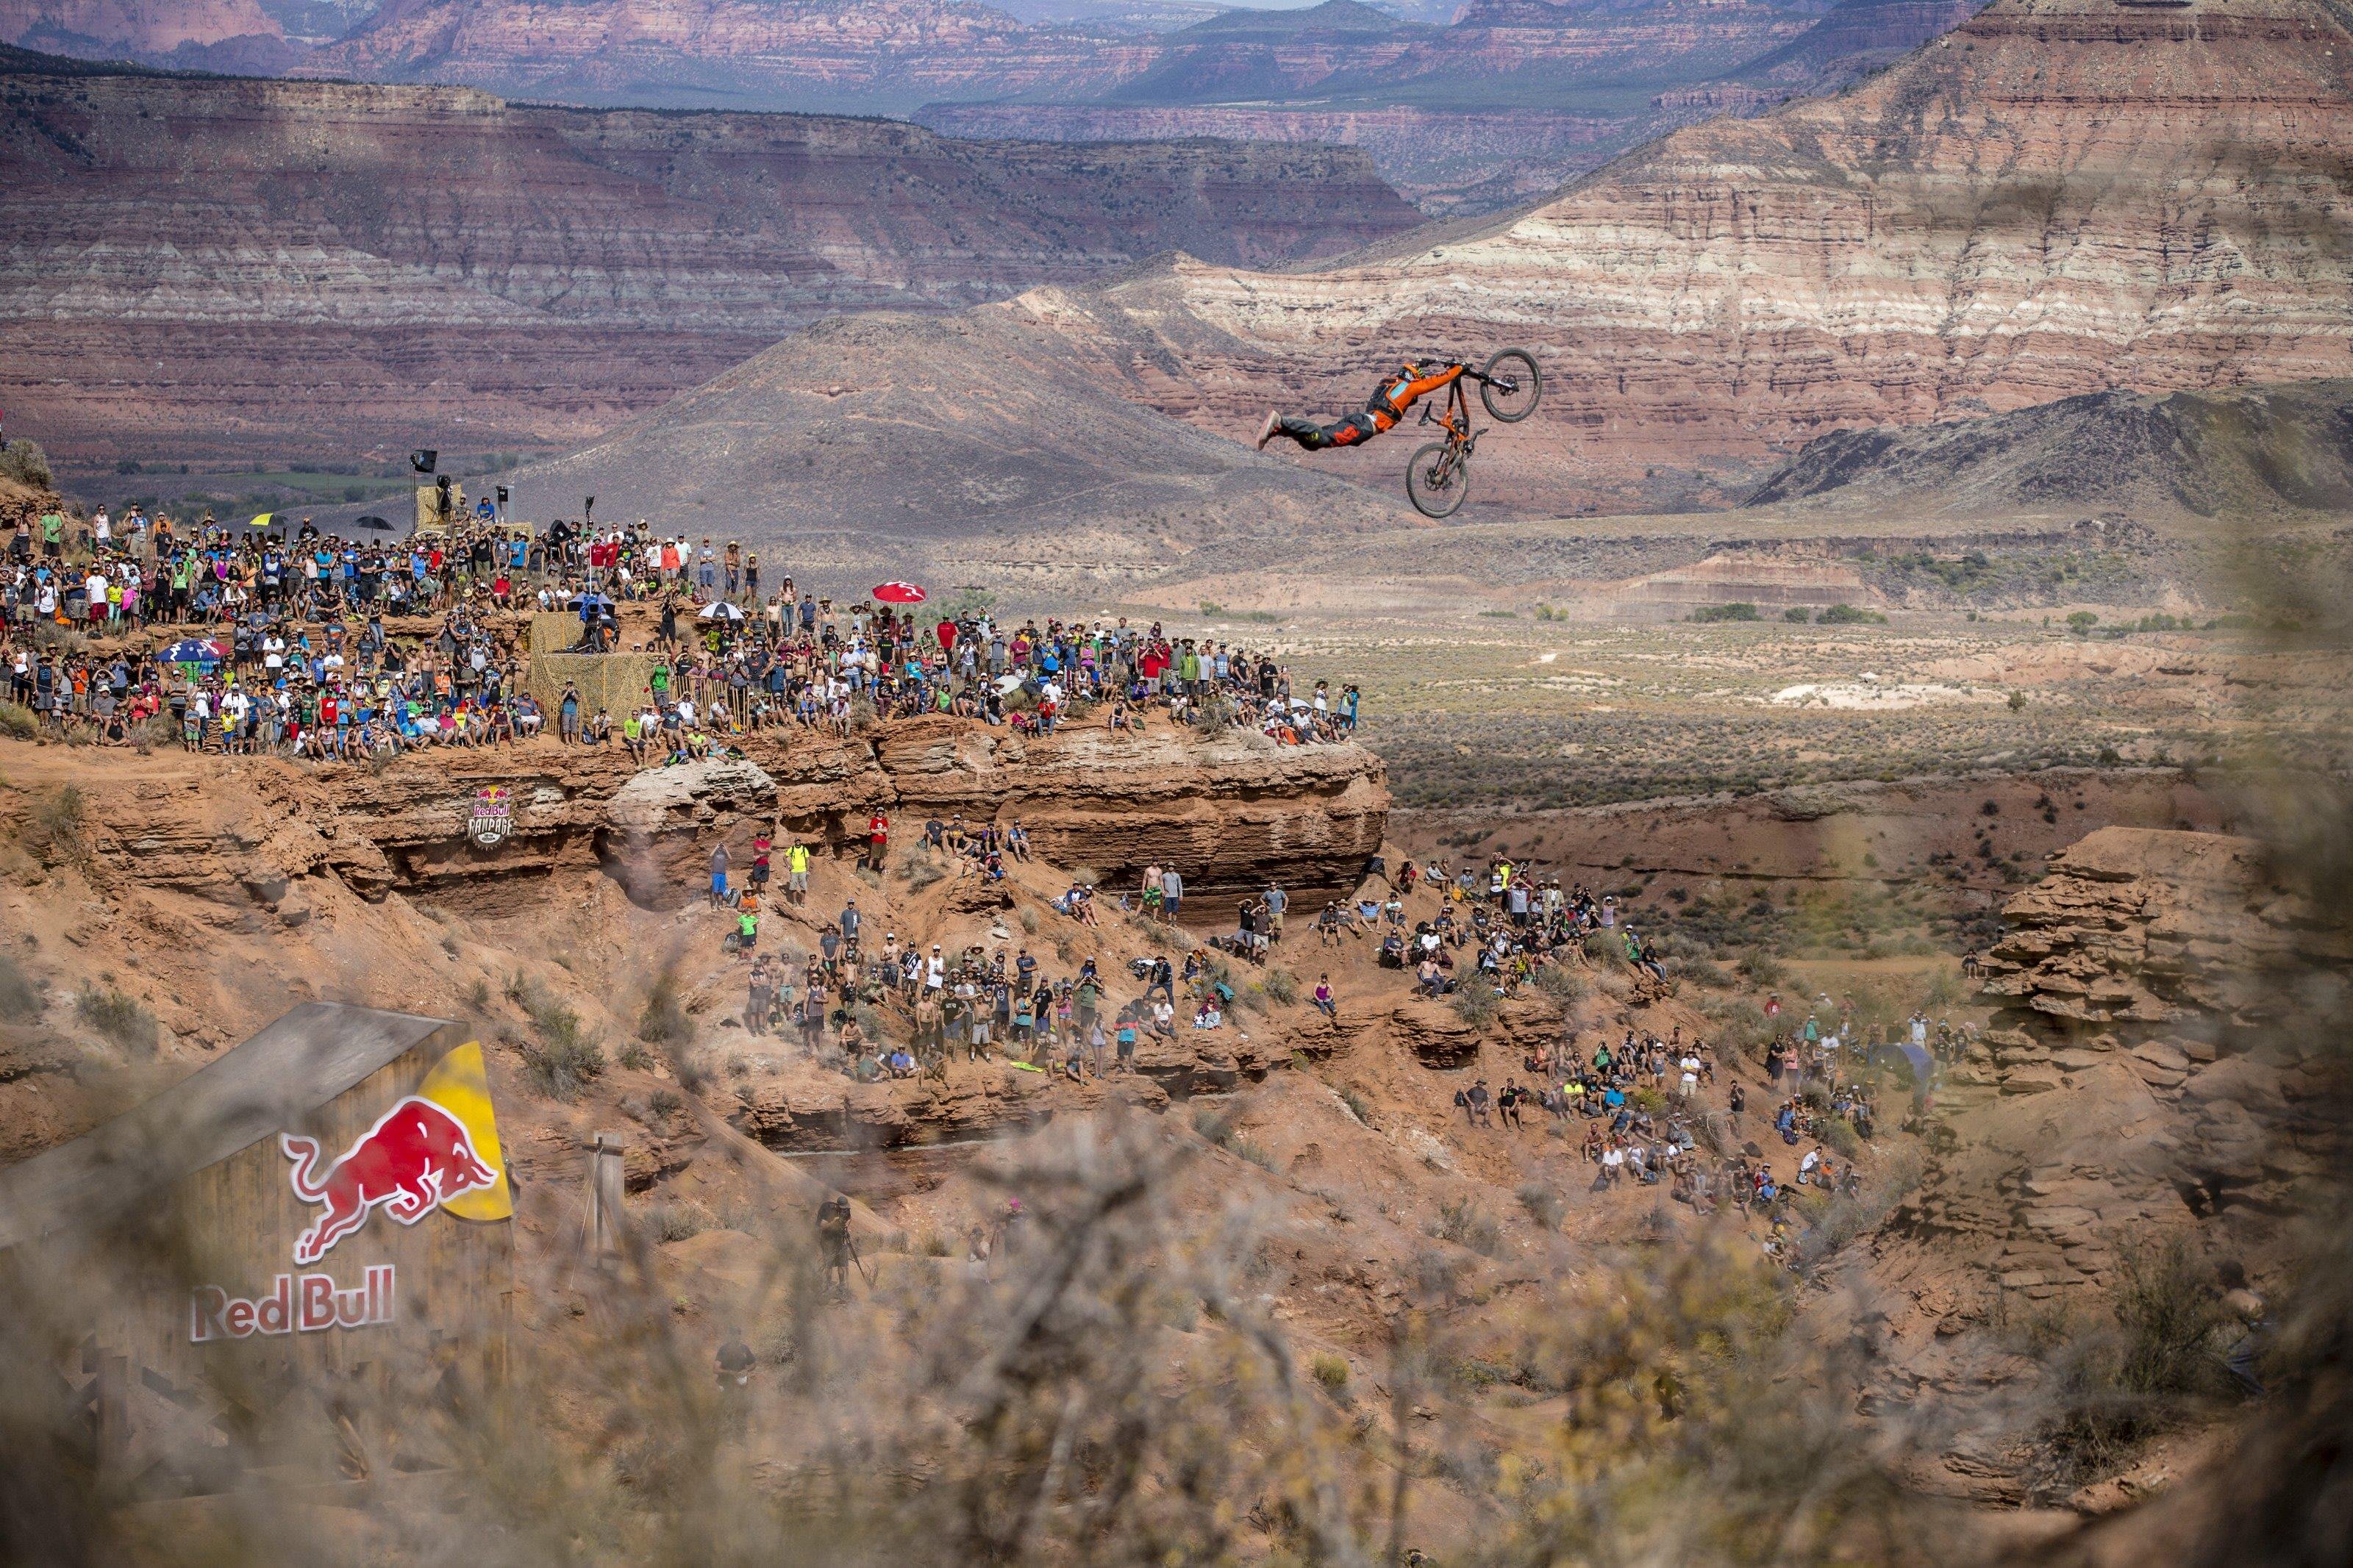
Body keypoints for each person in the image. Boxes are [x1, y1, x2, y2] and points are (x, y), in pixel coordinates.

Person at [1255, 360, 1467, 451]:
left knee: (1315, 444)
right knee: (1323, 437)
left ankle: (1278, 430)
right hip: (1365, 426)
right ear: (1413, 377)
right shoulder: (1409, 388)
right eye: (1417, 377)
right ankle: (1281, 421)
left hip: (1361, 420)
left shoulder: (1389, 384)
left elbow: (1407, 377)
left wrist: (1419, 364)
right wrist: (1457, 370)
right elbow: (1434, 382)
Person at [816, 1195, 853, 1297]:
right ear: (837, 1206)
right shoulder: (827, 1209)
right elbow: (821, 1227)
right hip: (828, 1240)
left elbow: (849, 1218)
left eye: (845, 1208)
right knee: (829, 1264)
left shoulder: (846, 1210)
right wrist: (833, 1222)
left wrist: (846, 1225)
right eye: (842, 1208)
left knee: (842, 1264)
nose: (844, 1210)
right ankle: (828, 1285)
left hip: (840, 1240)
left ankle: (842, 1286)